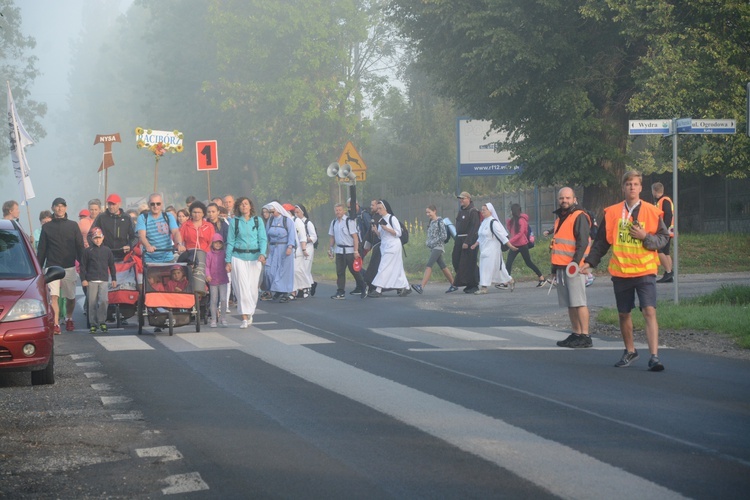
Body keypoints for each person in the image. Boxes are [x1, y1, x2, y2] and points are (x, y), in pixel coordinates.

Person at [582, 170, 670, 371]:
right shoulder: (612, 212)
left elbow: (664, 238)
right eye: (628, 184)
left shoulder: (651, 211)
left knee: (649, 310)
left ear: (641, 188)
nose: (632, 187)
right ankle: (630, 351)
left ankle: (654, 357)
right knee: (624, 314)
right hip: (621, 271)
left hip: (645, 269)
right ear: (623, 187)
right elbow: (602, 241)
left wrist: (645, 236)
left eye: (636, 184)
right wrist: (590, 262)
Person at [549, 187, 593, 348]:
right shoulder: (560, 217)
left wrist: (575, 263)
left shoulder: (579, 216)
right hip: (562, 266)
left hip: (575, 267)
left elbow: (582, 243)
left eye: (567, 198)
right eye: (561, 198)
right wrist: (554, 268)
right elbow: (557, 244)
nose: (564, 201)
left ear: (574, 199)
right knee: (570, 302)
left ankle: (585, 335)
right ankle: (576, 333)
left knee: (579, 301)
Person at [36, 197, 85, 333]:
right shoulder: (46, 227)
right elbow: (42, 250)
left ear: (66, 208)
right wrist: (38, 269)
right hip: (52, 266)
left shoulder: (73, 225)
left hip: (69, 266)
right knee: (54, 297)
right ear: (52, 208)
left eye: (62, 206)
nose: (60, 208)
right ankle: (56, 323)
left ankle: (69, 318)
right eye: (57, 206)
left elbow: (79, 247)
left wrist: (83, 265)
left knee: (70, 297)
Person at [225, 196, 267, 328]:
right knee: (242, 287)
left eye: (246, 204)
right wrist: (228, 260)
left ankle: (250, 313)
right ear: (238, 207)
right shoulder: (235, 222)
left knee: (252, 288)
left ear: (250, 206)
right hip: (238, 257)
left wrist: (262, 254)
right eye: (241, 204)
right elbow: (230, 241)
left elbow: (263, 239)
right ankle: (244, 317)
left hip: (254, 257)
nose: (244, 206)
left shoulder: (257, 221)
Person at [368, 200, 410, 297]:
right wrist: (376, 231)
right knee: (398, 267)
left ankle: (378, 289)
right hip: (385, 246)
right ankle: (407, 287)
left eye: (380, 208)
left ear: (385, 208)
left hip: (393, 246)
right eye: (377, 208)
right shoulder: (381, 220)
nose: (378, 211)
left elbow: (398, 233)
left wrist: (387, 228)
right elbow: (381, 236)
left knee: (384, 266)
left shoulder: (392, 218)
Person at [80, 227, 116, 334]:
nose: (97, 240)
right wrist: (84, 279)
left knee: (104, 301)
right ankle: (93, 323)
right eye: (95, 238)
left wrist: (114, 278)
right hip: (91, 280)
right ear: (91, 239)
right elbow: (83, 267)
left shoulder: (107, 250)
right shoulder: (87, 251)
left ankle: (102, 321)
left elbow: (112, 265)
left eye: (99, 238)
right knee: (92, 302)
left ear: (103, 237)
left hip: (104, 280)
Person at [473, 203, 515, 294]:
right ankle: (510, 280)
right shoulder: (484, 222)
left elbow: (502, 236)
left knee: (485, 268)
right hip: (484, 249)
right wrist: (475, 244)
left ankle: (484, 288)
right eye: (482, 209)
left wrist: (510, 246)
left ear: (490, 211)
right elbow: (481, 236)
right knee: (498, 268)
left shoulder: (493, 222)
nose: (482, 211)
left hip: (492, 249)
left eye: (484, 209)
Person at [412, 205, 455, 294]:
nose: (428, 214)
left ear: (434, 211)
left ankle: (421, 287)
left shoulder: (440, 222)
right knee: (443, 267)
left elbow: (444, 236)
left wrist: (432, 242)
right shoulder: (431, 222)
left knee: (429, 265)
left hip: (438, 247)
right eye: (426, 212)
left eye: (429, 212)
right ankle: (453, 284)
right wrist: (428, 243)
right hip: (433, 248)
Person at [328, 203, 367, 299]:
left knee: (354, 270)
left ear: (344, 211)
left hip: (349, 250)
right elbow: (332, 237)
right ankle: (340, 292)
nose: (338, 212)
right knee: (340, 271)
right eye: (336, 210)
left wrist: (356, 251)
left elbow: (355, 237)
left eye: (340, 210)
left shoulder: (349, 221)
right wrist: (331, 249)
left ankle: (363, 286)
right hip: (339, 250)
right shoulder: (334, 223)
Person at [136, 193, 185, 264]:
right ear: (149, 204)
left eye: (158, 204)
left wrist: (179, 244)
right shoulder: (143, 218)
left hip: (168, 257)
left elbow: (176, 232)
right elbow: (141, 236)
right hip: (150, 259)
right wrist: (148, 246)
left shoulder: (168, 216)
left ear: (162, 204)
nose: (155, 206)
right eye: (153, 204)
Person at [262, 202, 297, 303]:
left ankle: (285, 292)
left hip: (284, 248)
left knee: (283, 271)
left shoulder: (287, 221)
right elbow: (266, 234)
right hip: (273, 248)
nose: (272, 213)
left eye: (273, 210)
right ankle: (277, 289)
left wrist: (290, 247)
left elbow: (291, 234)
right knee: (270, 271)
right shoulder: (271, 220)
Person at [505, 203, 547, 287]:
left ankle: (541, 278)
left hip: (522, 244)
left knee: (528, 262)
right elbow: (511, 232)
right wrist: (508, 223)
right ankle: (506, 281)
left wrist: (510, 241)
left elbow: (521, 233)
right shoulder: (513, 220)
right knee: (508, 263)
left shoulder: (522, 220)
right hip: (514, 245)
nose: (511, 212)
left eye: (512, 210)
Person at [92, 193, 136, 261]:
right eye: (109, 204)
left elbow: (135, 236)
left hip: (123, 256)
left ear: (119, 204)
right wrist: (98, 247)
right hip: (105, 255)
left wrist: (130, 246)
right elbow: (91, 234)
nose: (111, 206)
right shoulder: (101, 217)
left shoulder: (127, 218)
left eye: (113, 204)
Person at [451, 191, 481, 293]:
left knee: (469, 263)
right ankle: (468, 281)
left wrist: (467, 242)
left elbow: (474, 227)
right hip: (459, 239)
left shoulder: (473, 211)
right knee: (456, 260)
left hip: (469, 240)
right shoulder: (461, 211)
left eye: (463, 198)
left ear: (469, 199)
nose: (461, 200)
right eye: (460, 198)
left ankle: (473, 284)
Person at [284, 202, 309, 299]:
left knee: (298, 271)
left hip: (297, 251)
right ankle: (293, 291)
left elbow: (302, 236)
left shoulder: (297, 221)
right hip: (289, 251)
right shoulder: (285, 221)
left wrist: (303, 249)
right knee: (291, 271)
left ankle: (304, 286)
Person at [651, 182, 674, 283]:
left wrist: (663, 229)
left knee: (658, 250)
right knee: (666, 252)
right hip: (668, 231)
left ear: (654, 191)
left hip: (664, 231)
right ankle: (668, 274)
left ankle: (668, 272)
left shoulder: (664, 200)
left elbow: (668, 215)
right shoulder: (661, 200)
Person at [206, 233, 229, 327]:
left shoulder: (224, 253)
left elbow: (228, 263)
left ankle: (223, 318)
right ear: (212, 243)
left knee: (223, 299)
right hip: (213, 280)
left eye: (219, 243)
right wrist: (207, 275)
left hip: (223, 278)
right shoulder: (209, 254)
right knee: (213, 300)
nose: (218, 245)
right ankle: (214, 319)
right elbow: (207, 266)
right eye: (216, 243)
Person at [294, 204, 317, 297]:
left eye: (298, 212)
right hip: (299, 248)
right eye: (295, 212)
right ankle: (310, 284)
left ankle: (305, 289)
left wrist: (306, 239)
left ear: (302, 212)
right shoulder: (295, 222)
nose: (296, 214)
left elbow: (314, 236)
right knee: (300, 268)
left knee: (306, 268)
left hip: (308, 247)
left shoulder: (308, 223)